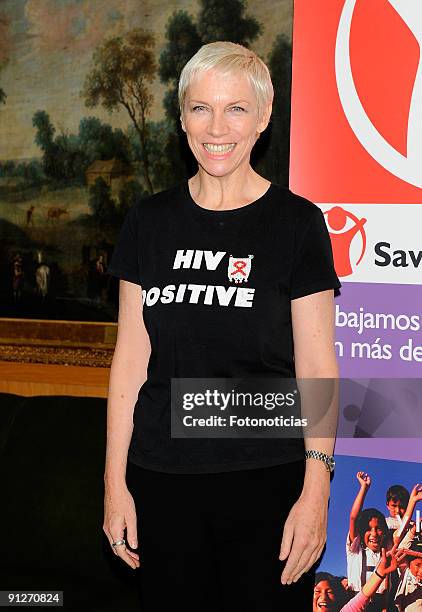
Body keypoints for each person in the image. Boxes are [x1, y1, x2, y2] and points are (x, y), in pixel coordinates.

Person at [104, 40, 341, 611]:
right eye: (201, 107)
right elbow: (130, 359)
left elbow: (316, 365)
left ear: (263, 118)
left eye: (236, 108)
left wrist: (317, 493)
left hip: (268, 483)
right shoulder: (148, 222)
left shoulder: (297, 225)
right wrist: (115, 484)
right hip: (161, 481)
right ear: (181, 117)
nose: (217, 126)